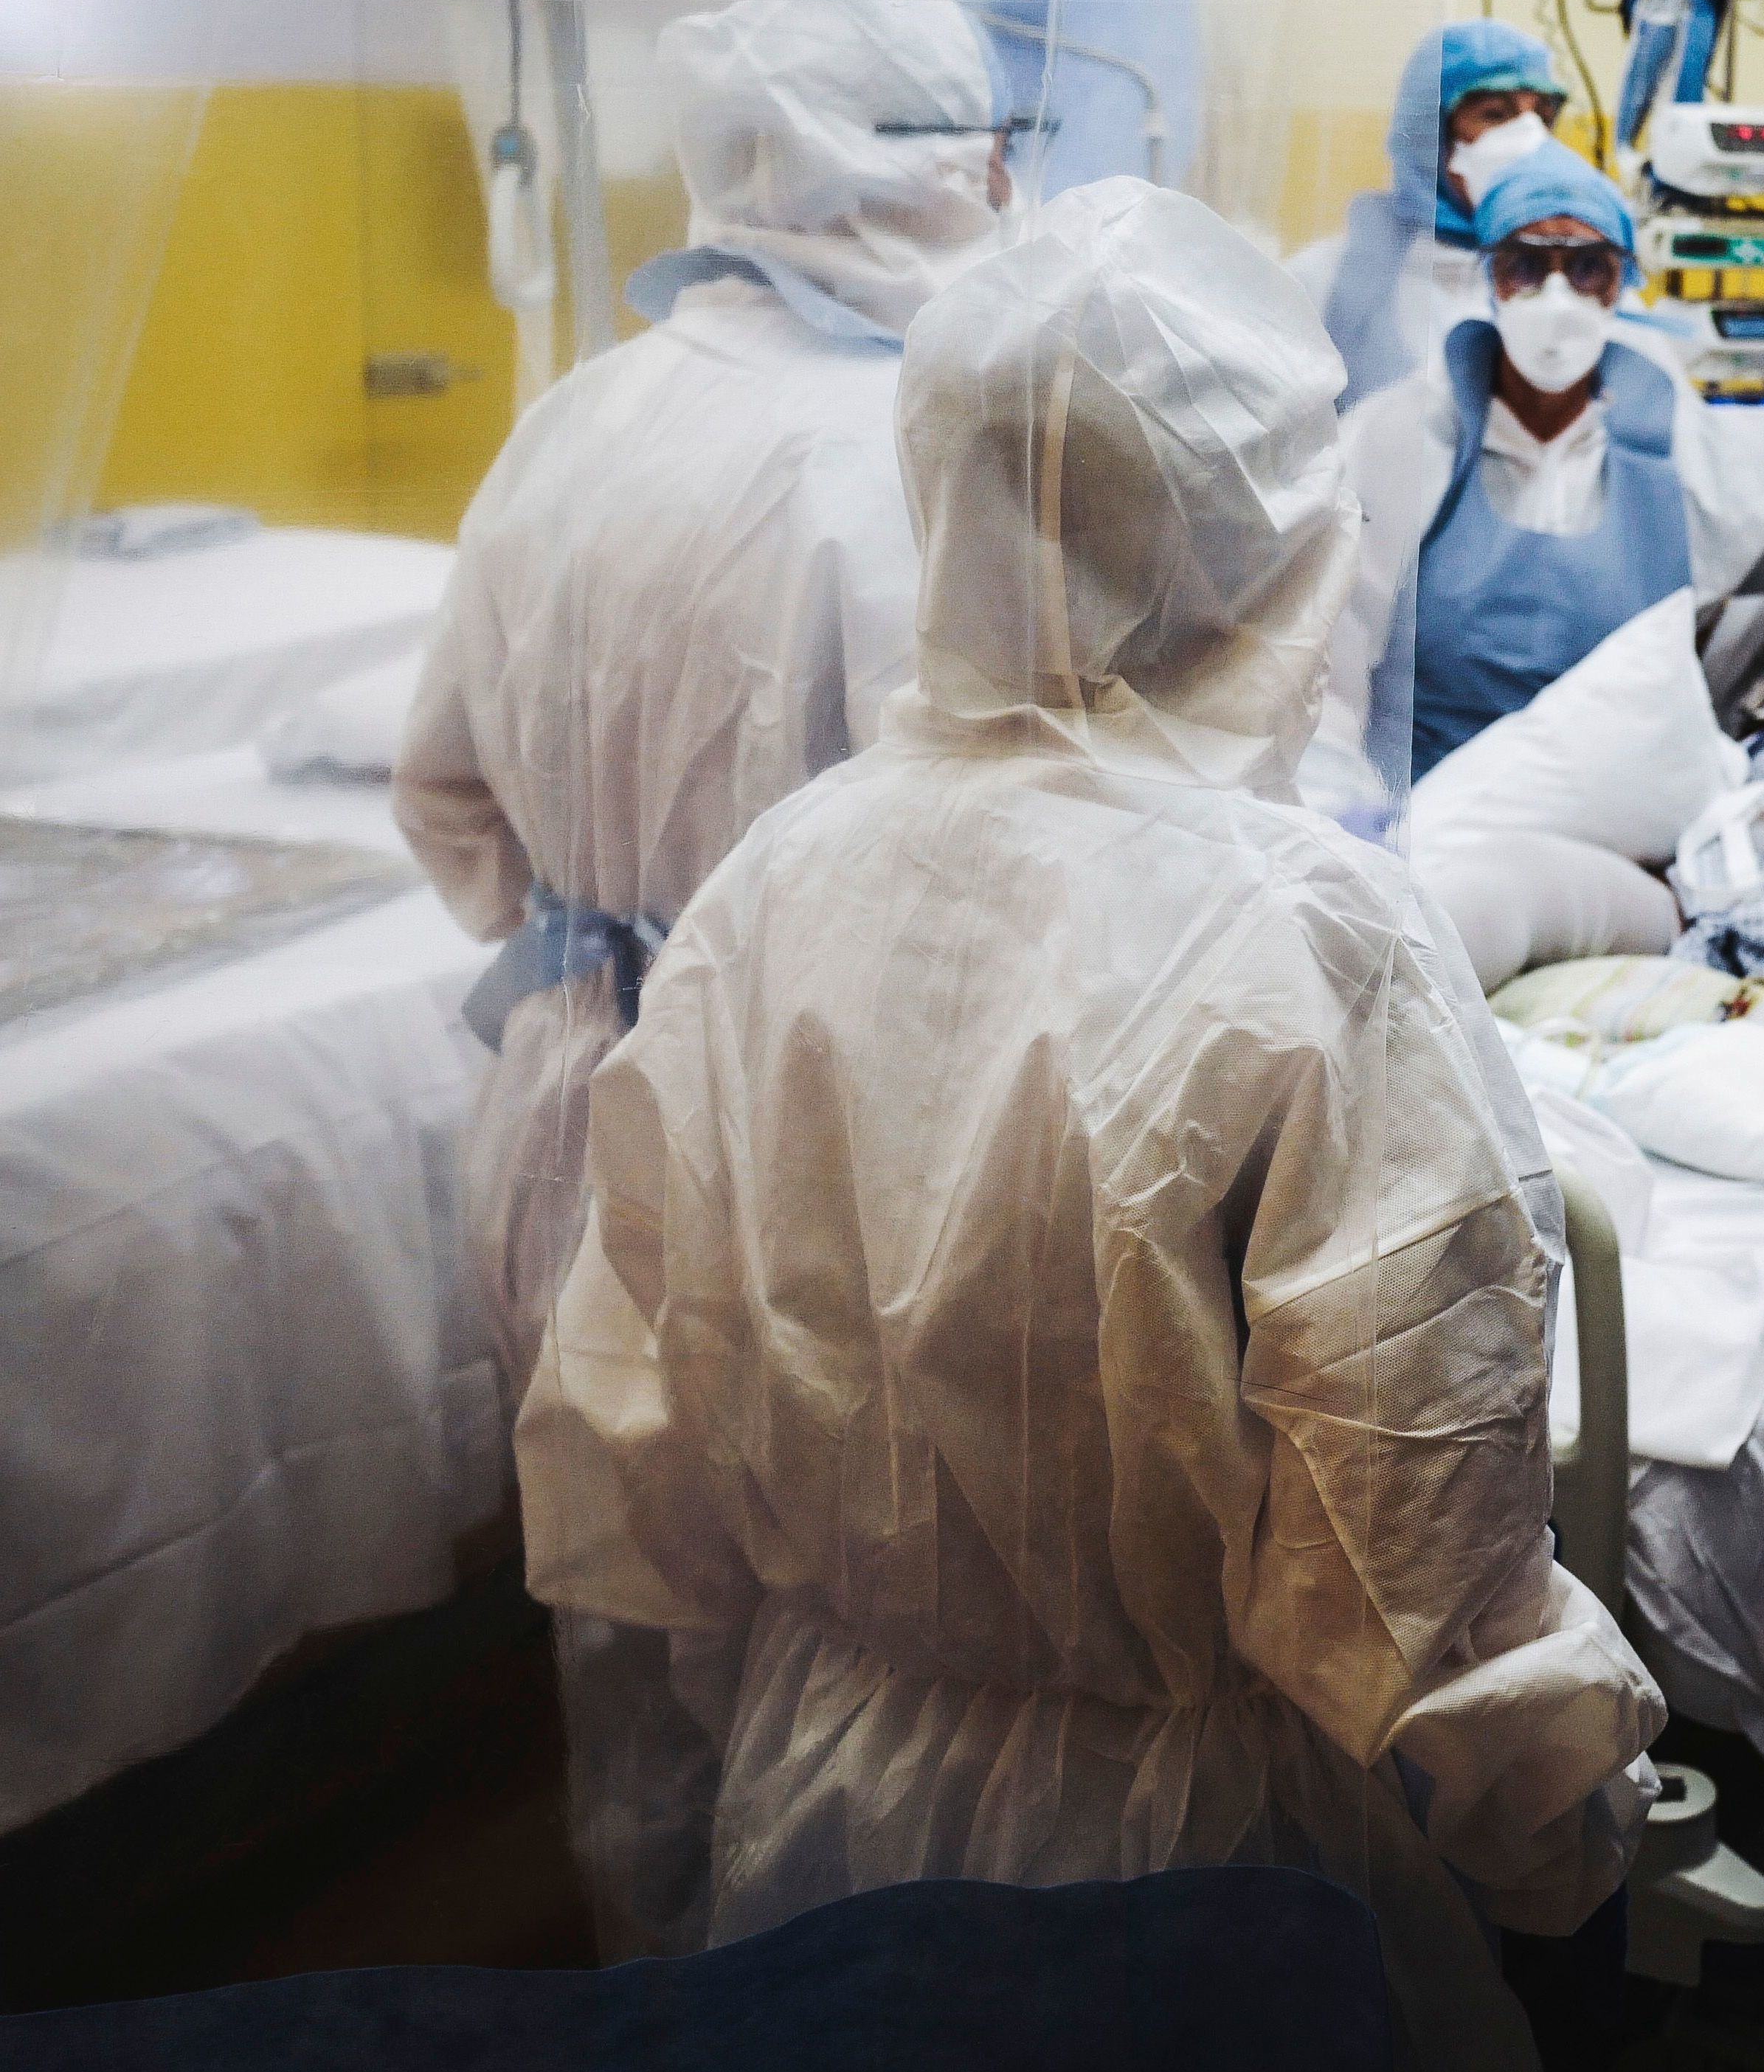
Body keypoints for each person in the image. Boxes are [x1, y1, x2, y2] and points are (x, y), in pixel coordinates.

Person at [515, 179, 1663, 2072]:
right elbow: (1422, 1559)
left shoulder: (770, 886)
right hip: (1215, 1879)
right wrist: (1561, 1875)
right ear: (1269, 532)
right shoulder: (1306, 936)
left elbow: (638, 1443)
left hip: (820, 1829)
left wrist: (733, 1764)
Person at [395, 0, 1009, 1961]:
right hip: (796, 1148)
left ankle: (646, 1993)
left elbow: (442, 797)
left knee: (625, 1664)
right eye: (984, 156)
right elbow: (963, 872)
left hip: (565, 1095)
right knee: (832, 1687)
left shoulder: (577, 414)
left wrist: (605, 955)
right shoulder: (895, 453)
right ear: (909, 175)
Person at [1332, 139, 1764, 781]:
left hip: (1607, 822)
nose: (1557, 296)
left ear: (1620, 283)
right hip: (1421, 814)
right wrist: (1356, 822)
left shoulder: (1675, 450)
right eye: (1527, 266)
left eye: (1587, 268)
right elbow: (1327, 664)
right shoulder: (1399, 441)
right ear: (1490, 278)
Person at [1289, 18, 1568, 409]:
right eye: (1495, 114)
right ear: (1428, 134)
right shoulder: (1322, 282)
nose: (1529, 139)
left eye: (1542, 115)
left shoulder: (1582, 277)